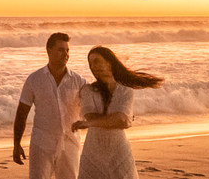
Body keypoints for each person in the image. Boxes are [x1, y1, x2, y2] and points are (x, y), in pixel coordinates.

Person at [70, 46, 163, 179]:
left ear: (109, 62)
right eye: (90, 63)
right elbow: (94, 116)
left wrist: (90, 123)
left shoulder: (125, 90)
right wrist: (113, 119)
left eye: (96, 61)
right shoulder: (88, 90)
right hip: (93, 150)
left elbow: (121, 120)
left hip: (118, 149)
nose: (93, 66)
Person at [13, 32, 87, 179]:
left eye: (67, 50)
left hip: (70, 143)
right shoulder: (34, 79)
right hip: (42, 143)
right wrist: (17, 144)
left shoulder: (78, 81)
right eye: (60, 50)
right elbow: (22, 113)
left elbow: (91, 109)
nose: (65, 54)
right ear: (49, 51)